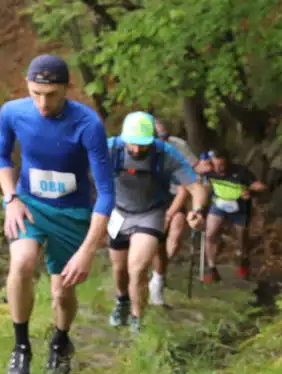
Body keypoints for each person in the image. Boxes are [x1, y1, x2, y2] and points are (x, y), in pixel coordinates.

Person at [0, 54, 114, 374]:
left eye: (51, 94)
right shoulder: (13, 112)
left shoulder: (88, 125)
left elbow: (106, 192)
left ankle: (60, 340)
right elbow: (1, 156)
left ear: (66, 89)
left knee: (62, 292)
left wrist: (89, 249)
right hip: (29, 204)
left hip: (72, 212)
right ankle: (21, 349)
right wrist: (10, 198)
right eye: (35, 93)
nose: (43, 103)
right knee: (22, 263)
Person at [105, 112, 206, 332]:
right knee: (120, 269)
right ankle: (122, 301)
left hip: (150, 213)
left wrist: (197, 211)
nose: (137, 150)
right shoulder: (111, 148)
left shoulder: (165, 154)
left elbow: (195, 187)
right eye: (133, 144)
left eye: (144, 144)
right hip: (119, 212)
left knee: (137, 268)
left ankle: (137, 319)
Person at [200, 146, 266, 282]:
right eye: (215, 165)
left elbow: (260, 186)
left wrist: (250, 191)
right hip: (218, 204)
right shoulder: (209, 170)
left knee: (241, 239)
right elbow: (202, 184)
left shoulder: (241, 172)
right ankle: (212, 270)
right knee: (210, 234)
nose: (219, 169)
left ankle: (243, 262)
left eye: (222, 165)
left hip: (240, 209)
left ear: (228, 162)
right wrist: (200, 207)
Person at [150, 118, 196, 305]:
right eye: (159, 137)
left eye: (165, 136)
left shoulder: (177, 147)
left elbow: (188, 178)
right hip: (148, 200)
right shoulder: (139, 151)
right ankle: (154, 272)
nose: (164, 140)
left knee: (175, 231)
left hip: (175, 194)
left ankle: (159, 273)